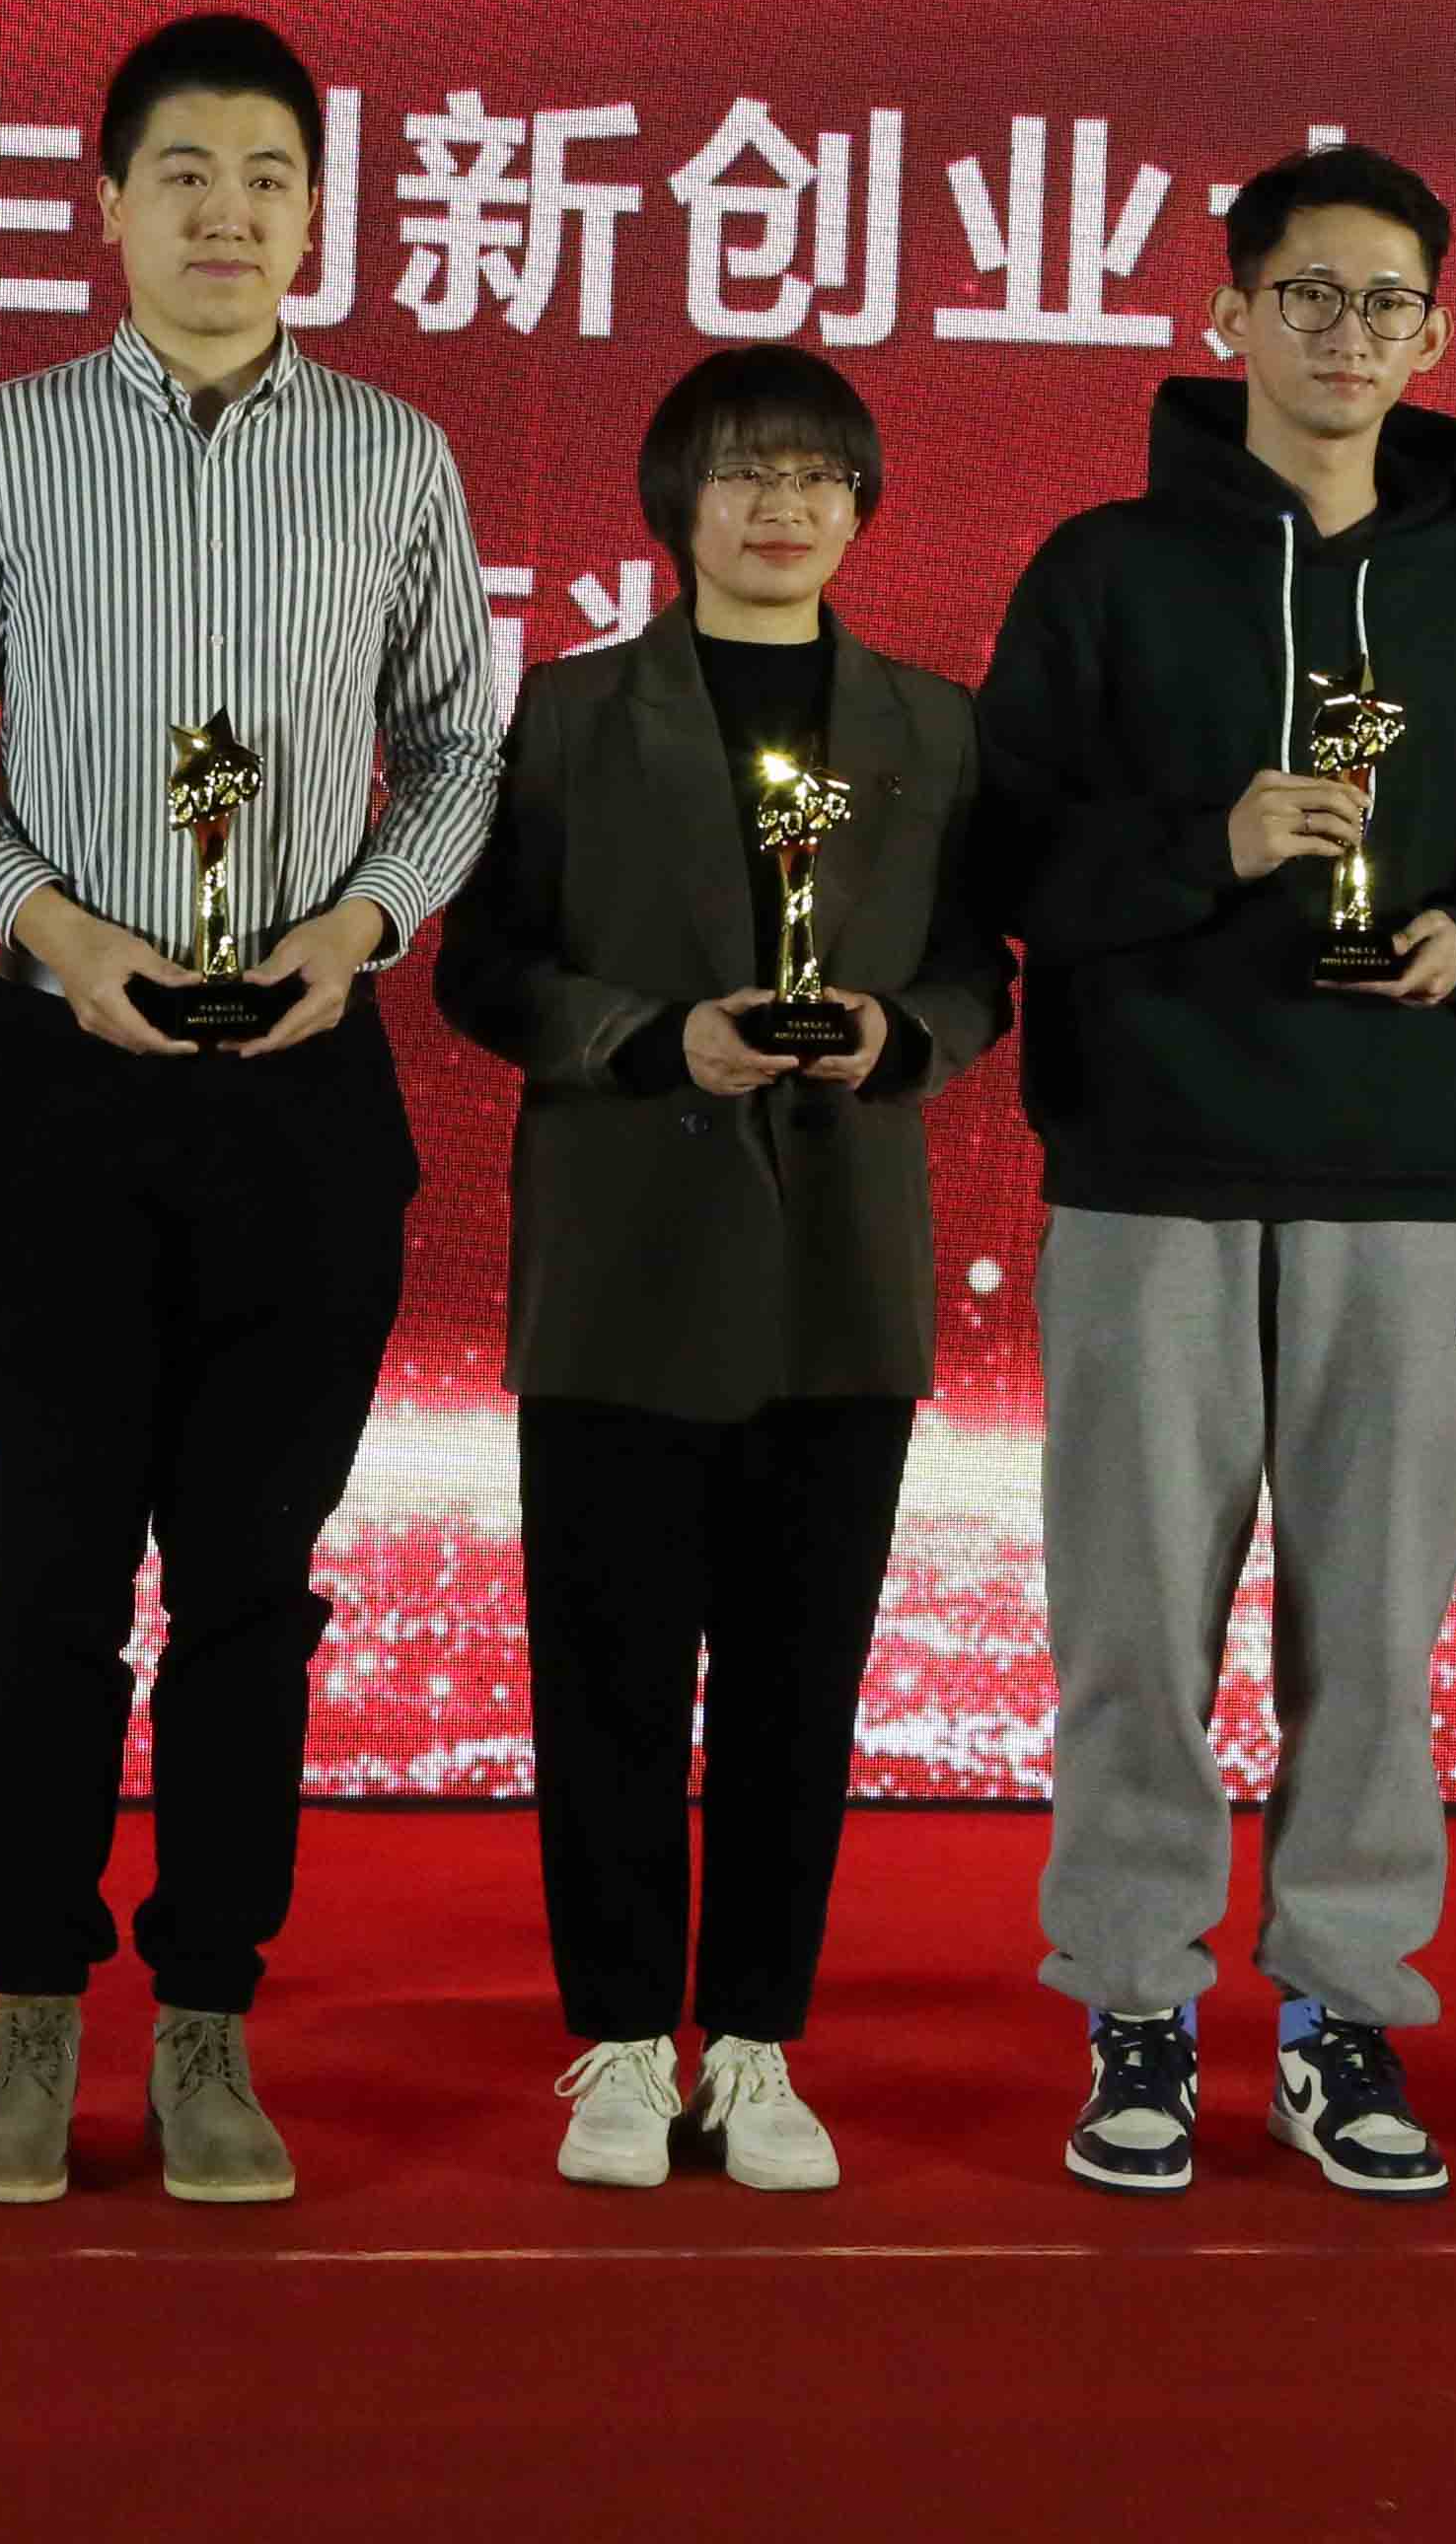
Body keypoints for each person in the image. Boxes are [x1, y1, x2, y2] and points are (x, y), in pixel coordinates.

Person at [0, 9, 505, 2209]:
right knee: (44, 1574)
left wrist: (362, 932)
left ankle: (210, 2016)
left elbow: (462, 743)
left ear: (318, 210)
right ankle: (32, 2011)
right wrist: (47, 921)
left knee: (251, 1587)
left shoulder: (395, 457)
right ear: (111, 202)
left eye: (269, 177)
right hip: (64, 1075)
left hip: (308, 1081)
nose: (229, 214)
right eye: (187, 174)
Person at [974, 138, 1456, 2201]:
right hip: (1147, 1168)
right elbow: (1003, 863)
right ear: (1226, 312)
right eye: (1308, 296)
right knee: (1133, 1630)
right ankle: (1136, 2003)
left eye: (1386, 303)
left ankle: (1344, 2010)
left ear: (1435, 333)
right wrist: (1209, 846)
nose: (1347, 336)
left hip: (1400, 1175)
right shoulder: (1103, 570)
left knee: (1378, 1635)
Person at [437, 344, 1005, 2192]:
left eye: (819, 476)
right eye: (747, 472)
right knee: (605, 1673)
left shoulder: (935, 726)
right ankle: (618, 2040)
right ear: (674, 502)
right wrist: (643, 1036)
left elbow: (981, 973)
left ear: (862, 508)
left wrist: (902, 1035)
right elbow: (481, 970)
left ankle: (756, 2041)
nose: (784, 506)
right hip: (624, 1252)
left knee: (796, 1682)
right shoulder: (567, 714)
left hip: (844, 1266)